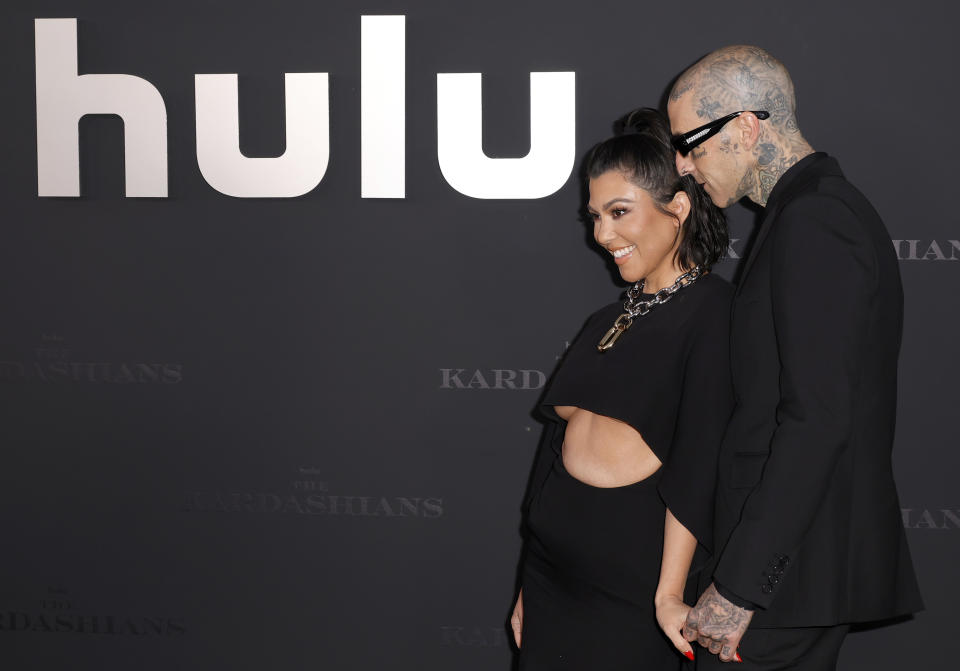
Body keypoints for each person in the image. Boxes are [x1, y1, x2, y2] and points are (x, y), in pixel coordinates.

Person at [666, 45, 923, 670]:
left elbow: (818, 418)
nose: (683, 165)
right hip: (787, 574)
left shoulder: (817, 220)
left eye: (692, 143)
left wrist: (740, 587)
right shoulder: (801, 214)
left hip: (784, 582)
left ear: (747, 127)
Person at [510, 107, 734, 670]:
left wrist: (668, 592)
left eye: (619, 213)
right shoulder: (607, 317)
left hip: (629, 594)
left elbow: (698, 460)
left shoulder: (714, 314)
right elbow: (553, 451)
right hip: (548, 580)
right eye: (594, 216)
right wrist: (525, 583)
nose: (602, 235)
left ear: (677, 207)